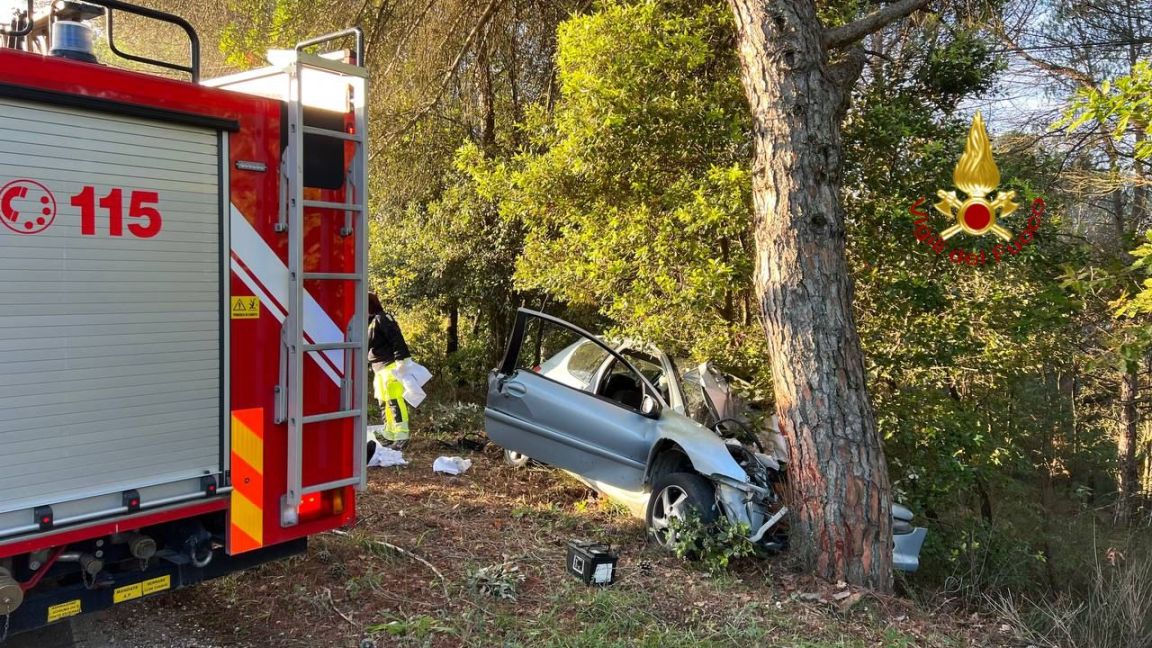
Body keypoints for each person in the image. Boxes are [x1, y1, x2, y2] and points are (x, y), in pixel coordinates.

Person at [368, 293, 412, 449]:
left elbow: (396, 338)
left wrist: (401, 359)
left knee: (394, 400)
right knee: (383, 402)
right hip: (378, 368)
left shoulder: (382, 318)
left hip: (390, 365)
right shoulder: (370, 321)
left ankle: (402, 435)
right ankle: (389, 434)